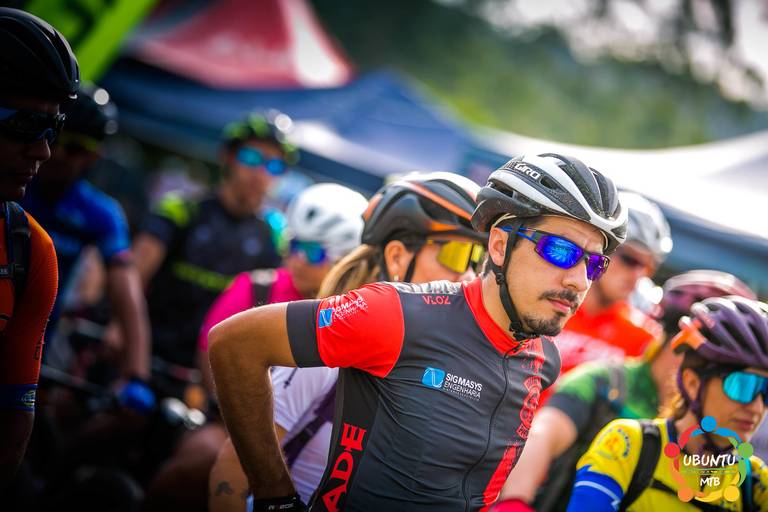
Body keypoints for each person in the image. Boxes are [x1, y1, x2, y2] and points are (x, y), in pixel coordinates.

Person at [208, 153, 628, 511]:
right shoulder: (396, 313)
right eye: (561, 250)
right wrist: (276, 496)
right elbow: (234, 344)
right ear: (500, 246)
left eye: (595, 264)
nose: (579, 280)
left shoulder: (543, 360)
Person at [206, 172, 486, 510]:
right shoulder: (333, 345)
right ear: (397, 256)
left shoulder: (453, 367)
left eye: (478, 260)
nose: (468, 276)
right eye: (457, 254)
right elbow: (231, 475)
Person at [141, 183, 368, 511]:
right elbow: (211, 360)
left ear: (344, 259)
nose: (297, 258)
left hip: (308, 443)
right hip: (230, 424)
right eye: (293, 244)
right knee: (199, 460)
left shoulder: (353, 315)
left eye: (314, 251)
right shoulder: (256, 286)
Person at [494, 270, 757, 511]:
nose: (755, 404)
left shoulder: (727, 438)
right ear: (682, 345)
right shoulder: (605, 381)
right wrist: (515, 501)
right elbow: (543, 433)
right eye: (729, 373)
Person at [133, 110, 296, 383]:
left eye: (274, 166)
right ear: (228, 156)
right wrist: (121, 331)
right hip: (148, 358)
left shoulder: (275, 234)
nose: (260, 172)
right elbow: (132, 276)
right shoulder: (181, 210)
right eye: (251, 158)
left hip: (214, 376)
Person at [566, 296, 768, 511]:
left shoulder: (755, 483)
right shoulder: (628, 444)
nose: (757, 408)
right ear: (692, 384)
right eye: (743, 386)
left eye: (766, 391)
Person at [21, 85, 152, 387]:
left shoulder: (100, 213)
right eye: (54, 137)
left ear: (93, 156)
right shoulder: (13, 183)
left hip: (34, 349)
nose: (57, 153)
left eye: (75, 148)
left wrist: (137, 375)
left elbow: (126, 288)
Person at [0, 7, 78, 488]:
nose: (44, 150)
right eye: (26, 125)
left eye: (54, 128)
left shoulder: (31, 250)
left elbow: (12, 419)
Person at [550, 191, 671, 383]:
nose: (637, 276)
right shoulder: (548, 304)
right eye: (630, 260)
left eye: (647, 268)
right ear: (601, 250)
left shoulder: (646, 338)